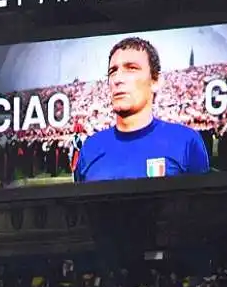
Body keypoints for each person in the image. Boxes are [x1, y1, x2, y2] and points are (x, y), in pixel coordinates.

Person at [74, 37, 210, 182]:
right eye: (113, 71)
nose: (117, 79)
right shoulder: (90, 148)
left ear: (155, 81)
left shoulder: (185, 141)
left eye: (131, 68)